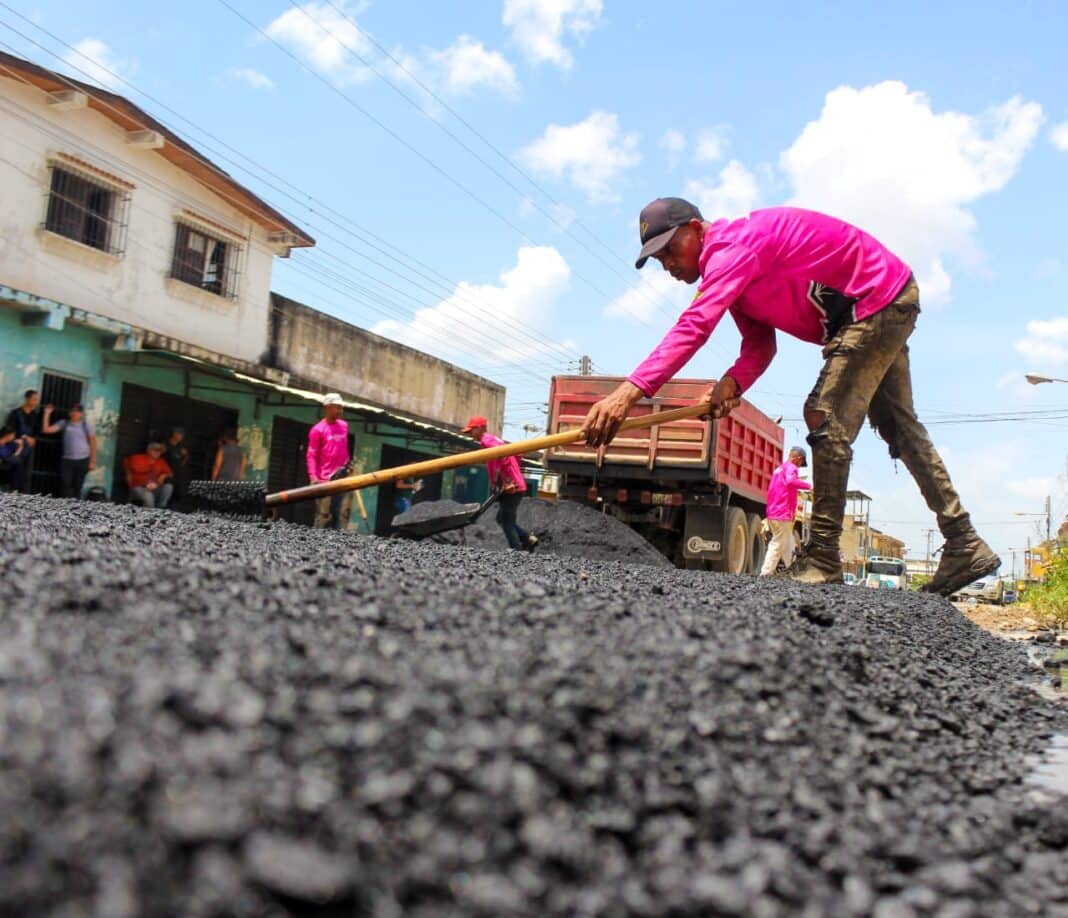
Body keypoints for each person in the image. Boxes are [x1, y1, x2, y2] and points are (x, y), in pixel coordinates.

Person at [582, 198, 999, 596]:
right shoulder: (733, 268)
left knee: (824, 416)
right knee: (900, 428)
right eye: (659, 260)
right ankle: (964, 542)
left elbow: (694, 327)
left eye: (671, 249)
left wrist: (627, 395)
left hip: (874, 301)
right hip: (885, 297)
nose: (669, 264)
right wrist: (734, 381)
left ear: (696, 229)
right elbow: (760, 347)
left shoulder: (730, 249)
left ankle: (822, 557)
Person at [461, 415, 537, 552]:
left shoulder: (487, 440)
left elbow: (504, 456)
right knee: (502, 518)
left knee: (507, 521)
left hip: (513, 487)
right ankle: (527, 538)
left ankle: (518, 550)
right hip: (514, 485)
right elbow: (509, 457)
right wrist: (496, 481)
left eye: (471, 431)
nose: (471, 435)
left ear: (479, 428)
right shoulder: (492, 440)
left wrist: (507, 481)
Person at [760, 446, 812, 576]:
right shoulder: (791, 468)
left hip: (773, 510)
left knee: (789, 543)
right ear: (798, 458)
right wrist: (809, 486)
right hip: (782, 512)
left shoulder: (779, 469)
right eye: (801, 463)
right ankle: (766, 573)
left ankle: (793, 571)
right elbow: (791, 481)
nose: (800, 466)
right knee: (778, 543)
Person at [307, 393, 352, 530]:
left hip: (343, 476)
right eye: (337, 407)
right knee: (324, 515)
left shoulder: (344, 426)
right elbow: (311, 454)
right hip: (324, 479)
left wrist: (349, 465)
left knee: (343, 513)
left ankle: (339, 543)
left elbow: (344, 448)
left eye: (341, 407)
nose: (340, 411)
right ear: (327, 407)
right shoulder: (318, 430)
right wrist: (313, 477)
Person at [40, 403, 96, 498]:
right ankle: (65, 506)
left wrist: (93, 461)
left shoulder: (86, 425)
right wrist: (47, 413)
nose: (74, 413)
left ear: (81, 413)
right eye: (72, 410)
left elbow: (93, 443)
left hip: (83, 460)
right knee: (65, 483)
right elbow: (46, 430)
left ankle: (76, 508)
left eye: (77, 411)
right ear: (69, 412)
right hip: (67, 460)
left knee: (78, 486)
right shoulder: (64, 423)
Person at [5, 389, 39, 493]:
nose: (36, 402)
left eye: (37, 399)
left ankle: (23, 500)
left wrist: (33, 439)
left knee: (26, 476)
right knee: (15, 474)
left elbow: (36, 433)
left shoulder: (35, 415)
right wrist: (21, 438)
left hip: (29, 449)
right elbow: (9, 431)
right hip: (16, 448)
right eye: (34, 399)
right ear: (27, 399)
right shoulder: (15, 413)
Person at [124, 442, 174, 509]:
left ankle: (160, 508)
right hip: (139, 487)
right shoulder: (138, 458)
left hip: (155, 487)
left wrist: (164, 475)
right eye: (155, 450)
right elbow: (126, 461)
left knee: (168, 487)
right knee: (148, 496)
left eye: (159, 451)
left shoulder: (161, 461)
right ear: (148, 450)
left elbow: (170, 473)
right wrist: (128, 473)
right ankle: (150, 514)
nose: (158, 452)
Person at [164, 427, 191, 502]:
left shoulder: (180, 446)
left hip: (178, 472)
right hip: (167, 470)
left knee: (180, 490)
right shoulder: (166, 444)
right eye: (180, 434)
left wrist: (183, 462)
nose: (181, 437)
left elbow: (186, 455)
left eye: (182, 435)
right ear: (174, 434)